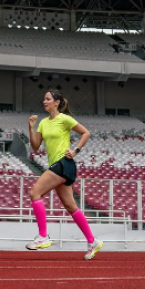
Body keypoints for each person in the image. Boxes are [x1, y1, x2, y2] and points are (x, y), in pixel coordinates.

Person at [26, 89, 103, 260]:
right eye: (44, 99)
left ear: (57, 102)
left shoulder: (64, 119)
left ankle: (43, 236)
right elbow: (36, 146)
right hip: (56, 165)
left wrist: (75, 150)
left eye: (47, 99)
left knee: (35, 192)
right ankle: (93, 241)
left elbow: (86, 133)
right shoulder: (44, 123)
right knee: (71, 207)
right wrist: (30, 128)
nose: (44, 102)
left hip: (64, 163)